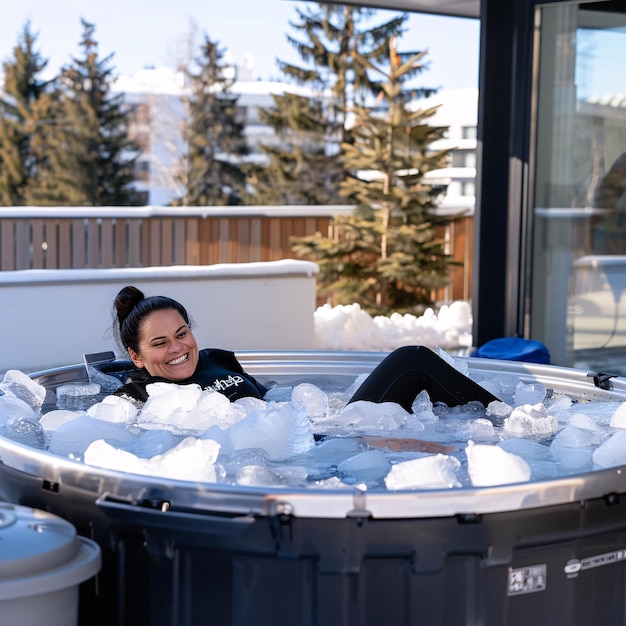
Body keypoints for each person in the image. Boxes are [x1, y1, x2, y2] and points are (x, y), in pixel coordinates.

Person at [112, 285, 500, 412]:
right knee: (409, 361)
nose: (177, 348)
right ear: (136, 356)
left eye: (182, 333)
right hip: (296, 463)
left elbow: (273, 398)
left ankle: (510, 424)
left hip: (318, 432)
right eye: (159, 343)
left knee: (413, 359)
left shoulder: (215, 359)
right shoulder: (138, 397)